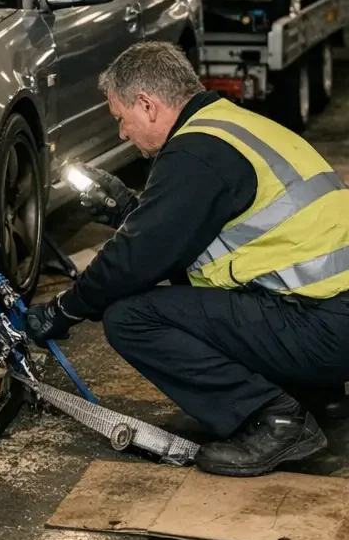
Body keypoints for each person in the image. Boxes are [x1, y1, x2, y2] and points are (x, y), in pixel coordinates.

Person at [25, 41, 349, 476]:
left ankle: (277, 421)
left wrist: (64, 310)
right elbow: (199, 238)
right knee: (186, 286)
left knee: (129, 318)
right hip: (331, 319)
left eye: (122, 119)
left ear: (148, 104)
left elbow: (135, 261)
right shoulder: (230, 127)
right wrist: (128, 211)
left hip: (325, 329)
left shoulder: (195, 153)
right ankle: (321, 399)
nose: (122, 133)